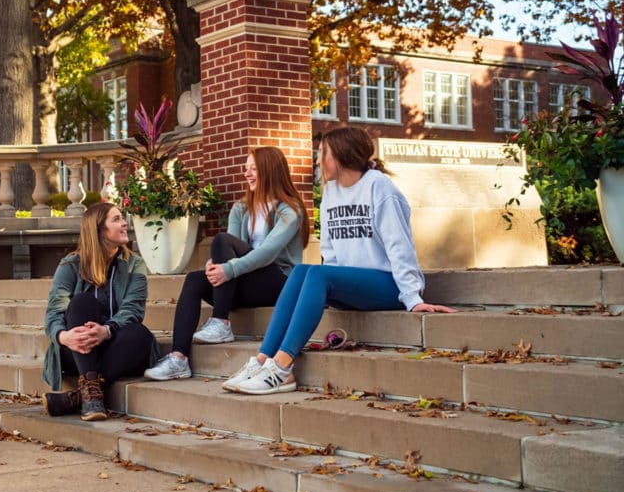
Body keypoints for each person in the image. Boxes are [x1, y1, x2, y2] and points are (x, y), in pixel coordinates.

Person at [226, 126, 456, 395]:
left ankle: (282, 367)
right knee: (302, 271)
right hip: (352, 283)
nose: (317, 160)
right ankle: (263, 360)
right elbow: (330, 250)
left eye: (323, 153)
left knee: (317, 274)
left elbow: (398, 245)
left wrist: (413, 297)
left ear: (342, 156)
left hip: (388, 285)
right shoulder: (331, 191)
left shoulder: (379, 186)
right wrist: (329, 288)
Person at [144, 147, 309, 381]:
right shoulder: (241, 208)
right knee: (194, 279)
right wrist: (216, 265)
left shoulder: (289, 210)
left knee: (221, 242)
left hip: (279, 281)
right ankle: (179, 358)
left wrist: (228, 268)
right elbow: (229, 249)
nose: (247, 174)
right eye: (245, 169)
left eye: (254, 168)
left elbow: (268, 252)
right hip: (248, 280)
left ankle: (221, 321)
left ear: (270, 170)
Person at [42, 202, 159, 421]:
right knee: (82, 302)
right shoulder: (70, 265)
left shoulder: (134, 264)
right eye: (116, 219)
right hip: (77, 350)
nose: (125, 223)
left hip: (116, 345)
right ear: (98, 229)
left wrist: (106, 330)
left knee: (140, 334)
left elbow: (133, 310)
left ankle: (82, 396)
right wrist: (64, 336)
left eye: (122, 218)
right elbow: (54, 313)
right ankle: (90, 390)